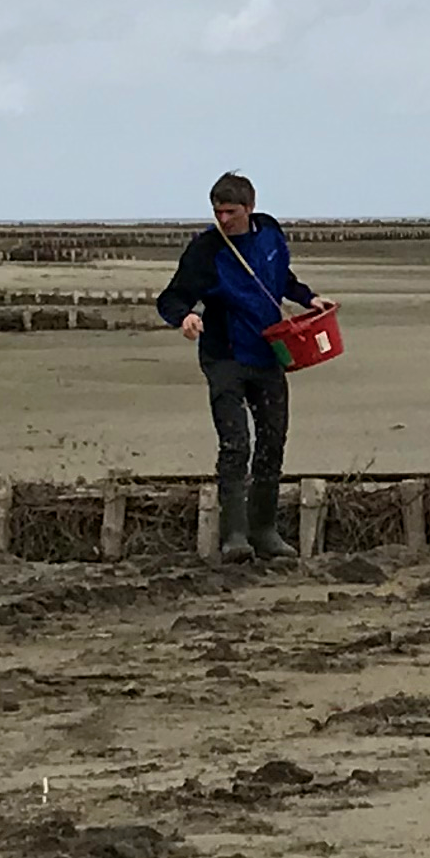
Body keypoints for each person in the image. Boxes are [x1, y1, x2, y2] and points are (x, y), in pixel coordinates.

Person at [153, 172, 323, 565]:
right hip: (224, 356)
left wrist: (308, 297)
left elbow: (281, 279)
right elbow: (172, 297)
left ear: (249, 207)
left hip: (269, 355)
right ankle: (234, 537)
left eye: (230, 211)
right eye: (217, 211)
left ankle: (265, 531)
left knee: (271, 443)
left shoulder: (269, 234)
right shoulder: (207, 249)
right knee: (236, 446)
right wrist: (185, 318)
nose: (223, 219)